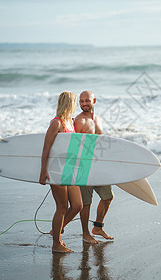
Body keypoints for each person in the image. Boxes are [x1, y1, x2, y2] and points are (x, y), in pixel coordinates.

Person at [39, 91, 83, 253]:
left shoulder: (71, 123)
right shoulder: (56, 123)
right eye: (74, 102)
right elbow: (46, 147)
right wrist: (43, 170)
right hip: (56, 170)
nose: (76, 105)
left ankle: (56, 231)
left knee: (77, 205)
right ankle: (56, 243)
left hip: (69, 169)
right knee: (62, 207)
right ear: (69, 103)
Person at [75, 90, 114, 244]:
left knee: (108, 197)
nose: (84, 104)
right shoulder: (79, 120)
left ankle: (97, 227)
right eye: (81, 101)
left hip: (99, 164)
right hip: (84, 165)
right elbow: (73, 145)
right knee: (86, 203)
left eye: (87, 100)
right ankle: (85, 234)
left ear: (94, 101)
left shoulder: (99, 119)